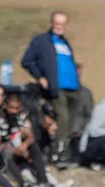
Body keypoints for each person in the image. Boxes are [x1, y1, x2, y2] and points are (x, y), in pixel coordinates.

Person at [21, 12, 83, 162]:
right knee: (63, 118)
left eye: (62, 24)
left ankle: (64, 153)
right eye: (56, 23)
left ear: (66, 26)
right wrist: (40, 76)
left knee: (71, 121)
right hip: (56, 88)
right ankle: (57, 153)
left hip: (73, 88)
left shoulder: (65, 43)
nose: (59, 27)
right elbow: (27, 61)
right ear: (51, 23)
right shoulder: (41, 41)